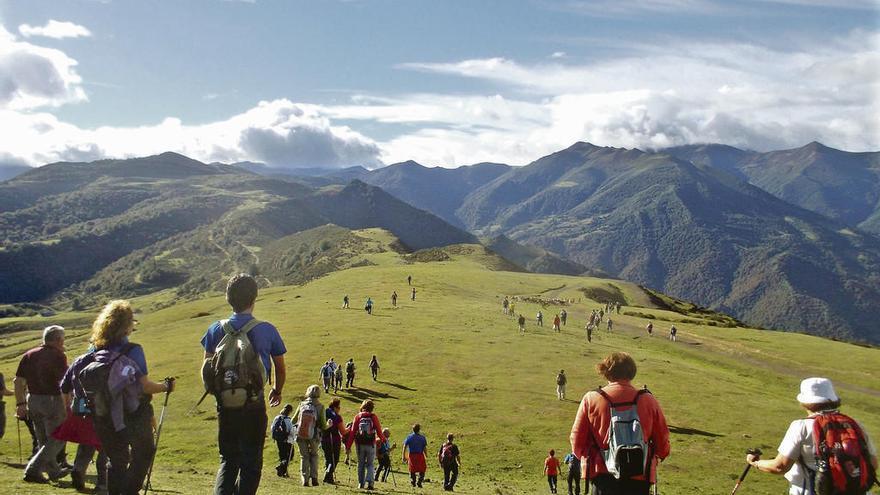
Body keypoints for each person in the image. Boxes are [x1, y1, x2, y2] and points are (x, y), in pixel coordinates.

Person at [201, 274, 286, 495]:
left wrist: (220, 393)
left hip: (225, 406)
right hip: (254, 405)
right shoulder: (266, 329)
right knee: (251, 463)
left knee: (228, 461)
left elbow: (207, 367)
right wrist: (277, 390)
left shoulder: (214, 329)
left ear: (228, 298)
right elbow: (280, 366)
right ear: (254, 298)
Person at [87, 301, 175, 495]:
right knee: (144, 452)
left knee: (116, 459)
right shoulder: (133, 350)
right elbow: (145, 386)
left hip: (103, 413)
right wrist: (165, 386)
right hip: (132, 413)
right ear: (127, 325)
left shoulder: (94, 351)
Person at [745, 377, 878, 495]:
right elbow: (873, 464)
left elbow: (779, 466)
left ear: (804, 402)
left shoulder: (801, 426)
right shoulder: (854, 424)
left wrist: (755, 463)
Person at [570, 352, 670, 495]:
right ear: (631, 372)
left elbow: (577, 442)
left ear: (606, 372)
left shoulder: (591, 399)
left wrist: (591, 457)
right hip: (639, 476)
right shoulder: (648, 400)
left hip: (603, 477)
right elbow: (662, 442)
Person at [15, 325, 70, 484]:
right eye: (63, 339)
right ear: (58, 340)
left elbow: (18, 381)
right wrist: (68, 403)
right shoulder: (58, 356)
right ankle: (33, 469)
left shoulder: (29, 355)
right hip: (52, 400)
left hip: (32, 399)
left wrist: (20, 403)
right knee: (58, 437)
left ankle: (54, 472)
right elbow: (63, 383)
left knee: (43, 439)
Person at [59, 342, 109, 492]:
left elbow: (64, 387)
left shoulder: (79, 360)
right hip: (103, 408)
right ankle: (103, 483)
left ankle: (78, 469)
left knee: (87, 441)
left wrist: (67, 407)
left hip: (80, 406)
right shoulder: (107, 360)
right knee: (106, 445)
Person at [291, 385, 327, 487]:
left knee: (304, 456)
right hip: (314, 436)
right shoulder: (321, 407)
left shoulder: (302, 404)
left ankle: (305, 479)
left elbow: (293, 420)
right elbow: (323, 425)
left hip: (301, 434)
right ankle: (314, 478)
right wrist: (329, 424)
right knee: (314, 455)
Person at [345, 399, 386, 490]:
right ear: (372, 408)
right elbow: (379, 431)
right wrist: (383, 440)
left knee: (361, 464)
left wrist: (348, 446)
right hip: (371, 444)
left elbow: (352, 433)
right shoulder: (373, 416)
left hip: (359, 444)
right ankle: (370, 483)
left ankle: (361, 483)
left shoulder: (358, 417)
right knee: (370, 464)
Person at [321, 398, 347, 484]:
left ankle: (330, 478)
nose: (339, 409)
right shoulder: (337, 417)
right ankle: (328, 474)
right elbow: (343, 431)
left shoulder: (324, 413)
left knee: (328, 459)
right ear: (335, 407)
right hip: (334, 440)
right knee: (335, 460)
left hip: (324, 439)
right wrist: (350, 429)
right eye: (339, 407)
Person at [271, 404, 294, 477]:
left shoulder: (277, 418)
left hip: (278, 440)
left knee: (282, 456)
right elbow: (291, 432)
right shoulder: (288, 420)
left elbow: (272, 428)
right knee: (290, 456)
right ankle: (281, 468)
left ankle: (282, 472)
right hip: (286, 441)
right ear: (290, 411)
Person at [403, 423, 428, 488]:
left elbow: (405, 446)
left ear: (413, 429)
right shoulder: (422, 438)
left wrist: (403, 456)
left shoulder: (409, 437)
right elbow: (424, 447)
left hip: (412, 455)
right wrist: (426, 454)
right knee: (422, 469)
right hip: (420, 455)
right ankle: (419, 481)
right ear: (419, 429)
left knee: (412, 469)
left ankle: (413, 481)